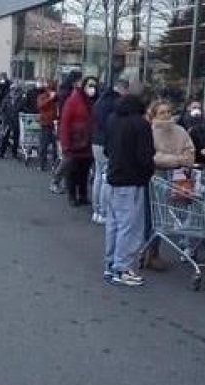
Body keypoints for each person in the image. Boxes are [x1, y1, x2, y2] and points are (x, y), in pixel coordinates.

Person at [104, 85, 156, 286]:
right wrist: (147, 173)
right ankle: (122, 268)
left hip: (114, 176)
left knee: (114, 224)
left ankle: (111, 264)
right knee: (129, 226)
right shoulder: (140, 125)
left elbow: (108, 148)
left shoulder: (113, 118)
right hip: (132, 180)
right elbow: (145, 156)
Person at [142, 99, 196, 268]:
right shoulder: (149, 132)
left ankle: (154, 252)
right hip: (156, 177)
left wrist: (171, 160)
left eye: (168, 112)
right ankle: (150, 252)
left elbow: (190, 155)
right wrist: (177, 159)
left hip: (179, 177)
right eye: (161, 112)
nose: (166, 115)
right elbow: (153, 157)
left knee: (171, 215)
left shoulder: (180, 131)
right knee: (153, 217)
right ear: (154, 115)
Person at [92, 79, 129, 225]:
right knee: (107, 177)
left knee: (98, 176)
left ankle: (96, 210)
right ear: (123, 89)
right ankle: (103, 211)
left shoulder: (101, 100)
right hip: (107, 142)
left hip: (96, 140)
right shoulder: (117, 103)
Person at [58, 71, 94, 207]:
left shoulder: (89, 100)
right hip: (75, 142)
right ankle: (72, 195)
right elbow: (65, 123)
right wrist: (65, 144)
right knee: (73, 171)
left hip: (87, 142)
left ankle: (83, 194)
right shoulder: (72, 101)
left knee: (84, 171)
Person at [37, 79, 58, 171]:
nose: (51, 91)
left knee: (56, 146)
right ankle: (42, 164)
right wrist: (50, 99)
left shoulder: (58, 98)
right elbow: (41, 106)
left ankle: (55, 163)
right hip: (46, 123)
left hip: (55, 123)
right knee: (44, 145)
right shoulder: (43, 96)